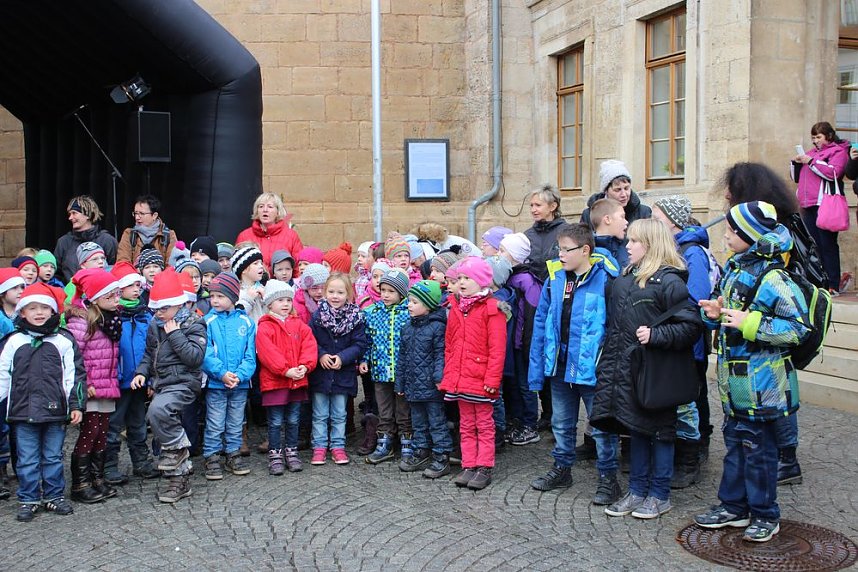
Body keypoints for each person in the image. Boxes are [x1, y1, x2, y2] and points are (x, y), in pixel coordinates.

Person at [694, 201, 810, 543]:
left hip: (764, 385)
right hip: (736, 385)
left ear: (751, 235)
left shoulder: (774, 277)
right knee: (736, 446)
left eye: (732, 231)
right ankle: (734, 506)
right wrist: (714, 313)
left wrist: (750, 322)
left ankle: (765, 514)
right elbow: (727, 312)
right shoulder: (735, 268)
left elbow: (798, 327)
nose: (726, 236)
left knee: (759, 453)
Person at [591, 219, 702, 520]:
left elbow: (691, 327)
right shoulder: (624, 279)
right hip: (627, 371)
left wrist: (656, 336)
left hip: (658, 373)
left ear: (651, 245)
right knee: (636, 430)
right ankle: (637, 491)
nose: (627, 246)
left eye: (634, 241)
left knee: (662, 433)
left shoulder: (670, 282)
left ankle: (659, 495)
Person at [528, 223, 621, 505]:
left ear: (585, 250)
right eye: (559, 249)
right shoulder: (554, 278)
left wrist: (607, 365)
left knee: (602, 426)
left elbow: (615, 327)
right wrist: (538, 366)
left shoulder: (606, 280)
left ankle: (608, 478)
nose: (560, 254)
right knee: (561, 423)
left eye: (566, 249)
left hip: (592, 368)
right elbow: (542, 321)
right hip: (560, 365)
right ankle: (562, 468)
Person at [0, 283, 85, 521]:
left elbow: (74, 376)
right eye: (32, 308)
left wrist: (76, 405)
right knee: (27, 459)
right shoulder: (14, 341)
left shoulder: (63, 340)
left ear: (52, 311)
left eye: (44, 308)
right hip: (22, 411)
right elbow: (3, 374)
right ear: (23, 312)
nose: (39, 312)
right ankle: (28, 498)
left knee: (53, 456)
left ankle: (54, 495)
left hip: (54, 410)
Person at [131, 268, 207, 503]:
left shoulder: (194, 323)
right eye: (156, 309)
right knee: (159, 419)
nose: (159, 313)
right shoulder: (156, 323)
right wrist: (141, 372)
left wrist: (175, 334)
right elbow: (149, 353)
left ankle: (178, 450)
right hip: (163, 383)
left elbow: (194, 357)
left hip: (185, 382)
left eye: (163, 309)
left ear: (178, 304)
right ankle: (179, 479)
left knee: (158, 411)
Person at [652, 196, 713, 488]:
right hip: (672, 334)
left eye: (657, 217)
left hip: (688, 337)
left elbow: (696, 296)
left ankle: (695, 452)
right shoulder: (671, 248)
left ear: (673, 221)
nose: (653, 221)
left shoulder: (693, 252)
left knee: (694, 393)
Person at [440, 257, 507, 491]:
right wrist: (450, 374)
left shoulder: (492, 309)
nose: (462, 282)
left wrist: (492, 379)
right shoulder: (455, 307)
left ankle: (484, 466)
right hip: (461, 378)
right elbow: (450, 345)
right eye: (459, 278)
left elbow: (497, 349)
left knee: (484, 424)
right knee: (466, 424)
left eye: (467, 278)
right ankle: (468, 464)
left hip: (481, 378)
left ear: (481, 281)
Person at [65, 269, 122, 504]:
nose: (117, 299)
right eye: (110, 295)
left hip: (106, 384)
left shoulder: (111, 319)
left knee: (102, 433)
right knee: (90, 432)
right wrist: (85, 382)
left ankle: (97, 478)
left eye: (117, 294)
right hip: (90, 387)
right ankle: (81, 484)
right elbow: (73, 356)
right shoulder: (81, 323)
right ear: (95, 298)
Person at [104, 262, 160, 485]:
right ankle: (109, 465)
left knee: (138, 424)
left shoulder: (145, 315)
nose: (137, 289)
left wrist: (151, 378)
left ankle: (141, 462)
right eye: (131, 285)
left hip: (139, 380)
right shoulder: (112, 316)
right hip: (118, 382)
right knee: (113, 425)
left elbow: (152, 349)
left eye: (138, 285)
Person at [257, 280, 317, 474]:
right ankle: (275, 454)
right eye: (280, 300)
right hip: (275, 382)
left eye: (288, 300)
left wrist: (304, 366)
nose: (285, 304)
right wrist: (285, 370)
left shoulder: (299, 324)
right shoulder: (265, 326)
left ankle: (291, 451)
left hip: (297, 381)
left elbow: (309, 346)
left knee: (293, 419)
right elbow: (268, 353)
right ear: (270, 304)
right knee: (275, 421)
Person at [201, 272, 257, 481]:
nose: (215, 300)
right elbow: (205, 354)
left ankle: (233, 452)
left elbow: (250, 355)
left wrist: (240, 376)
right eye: (212, 296)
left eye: (220, 296)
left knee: (235, 421)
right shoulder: (207, 322)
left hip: (239, 385)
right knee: (215, 421)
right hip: (216, 384)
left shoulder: (246, 322)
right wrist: (222, 374)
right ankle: (212, 455)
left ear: (233, 297)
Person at [308, 273, 367, 466]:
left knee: (340, 414)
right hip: (321, 374)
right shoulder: (317, 316)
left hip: (343, 374)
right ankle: (319, 446)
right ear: (325, 292)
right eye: (331, 291)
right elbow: (310, 341)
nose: (335, 296)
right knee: (320, 413)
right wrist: (321, 355)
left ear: (348, 294)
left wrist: (343, 357)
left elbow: (360, 344)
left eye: (340, 292)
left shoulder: (356, 318)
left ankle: (338, 446)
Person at [395, 280, 451, 478]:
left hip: (431, 386)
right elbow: (402, 357)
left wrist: (438, 377)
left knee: (436, 422)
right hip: (413, 385)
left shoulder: (437, 327)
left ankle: (441, 455)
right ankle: (421, 450)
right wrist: (400, 381)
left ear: (428, 305)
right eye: (409, 301)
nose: (409, 305)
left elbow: (440, 354)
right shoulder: (407, 327)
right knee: (418, 422)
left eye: (414, 302)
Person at [789, 121, 849, 294]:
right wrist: (796, 163)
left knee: (827, 245)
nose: (815, 141)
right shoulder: (810, 153)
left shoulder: (838, 152)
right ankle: (817, 281)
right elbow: (796, 178)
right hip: (807, 204)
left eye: (818, 137)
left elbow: (833, 173)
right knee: (813, 246)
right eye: (813, 137)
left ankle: (832, 284)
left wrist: (811, 162)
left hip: (825, 204)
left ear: (829, 136)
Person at [361, 269, 412, 464]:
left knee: (404, 410)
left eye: (391, 291)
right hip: (380, 370)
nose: (386, 295)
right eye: (383, 290)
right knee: (384, 410)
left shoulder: (408, 313)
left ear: (401, 293)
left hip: (402, 373)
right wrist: (364, 359)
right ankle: (385, 442)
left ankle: (407, 441)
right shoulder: (372, 313)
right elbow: (367, 340)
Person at [497, 233, 543, 445]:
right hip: (512, 342)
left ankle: (530, 425)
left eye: (503, 251)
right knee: (514, 384)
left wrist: (528, 344)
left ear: (515, 255)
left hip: (523, 343)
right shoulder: (510, 276)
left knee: (525, 385)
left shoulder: (526, 281)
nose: (499, 254)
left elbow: (533, 315)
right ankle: (517, 421)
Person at [54, 195, 118, 282]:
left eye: (74, 213)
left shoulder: (107, 240)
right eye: (70, 214)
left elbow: (115, 269)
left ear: (87, 215)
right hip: (71, 289)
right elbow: (57, 274)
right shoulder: (63, 242)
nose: (70, 218)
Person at [235, 192, 304, 271]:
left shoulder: (291, 236)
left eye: (270, 207)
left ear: (278, 211)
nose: (265, 210)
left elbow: (298, 266)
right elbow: (238, 266)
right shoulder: (244, 236)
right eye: (261, 206)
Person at [580, 160, 652, 229]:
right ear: (606, 191)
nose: (624, 194)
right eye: (618, 190)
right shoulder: (588, 215)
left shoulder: (643, 213)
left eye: (626, 188)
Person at [116, 195, 177, 265]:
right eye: (135, 213)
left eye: (141, 214)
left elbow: (172, 265)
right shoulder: (129, 234)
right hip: (134, 272)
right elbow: (122, 262)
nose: (137, 217)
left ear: (154, 215)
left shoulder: (169, 235)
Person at [524, 184, 567, 283]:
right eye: (531, 205)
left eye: (538, 205)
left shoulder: (566, 232)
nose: (533, 210)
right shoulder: (527, 235)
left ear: (553, 206)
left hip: (558, 287)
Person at [590, 197, 630, 268]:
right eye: (622, 217)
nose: (626, 222)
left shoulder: (628, 248)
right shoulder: (588, 253)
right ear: (607, 219)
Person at [231, 245, 267, 323]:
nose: (261, 266)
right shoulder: (236, 293)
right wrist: (249, 299)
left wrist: (266, 299)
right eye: (255, 263)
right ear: (243, 270)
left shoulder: (265, 288)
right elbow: (237, 318)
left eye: (261, 263)